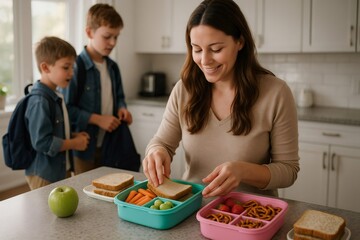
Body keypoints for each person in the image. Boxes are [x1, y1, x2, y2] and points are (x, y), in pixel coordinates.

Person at [142, 0, 299, 198]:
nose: (205, 60)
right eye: (196, 49)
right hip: (193, 209)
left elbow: (288, 171)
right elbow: (162, 142)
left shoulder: (276, 93)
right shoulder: (185, 89)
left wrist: (242, 171)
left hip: (250, 215)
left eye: (215, 49)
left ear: (240, 42)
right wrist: (156, 152)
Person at [61, 3, 132, 174]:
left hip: (110, 144)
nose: (113, 42)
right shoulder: (76, 68)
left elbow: (120, 97)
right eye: (107, 36)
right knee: (85, 195)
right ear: (89, 32)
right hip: (84, 148)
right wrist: (97, 119)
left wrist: (122, 108)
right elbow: (66, 110)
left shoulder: (113, 67)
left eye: (116, 37)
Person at [26, 36, 90, 190]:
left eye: (72, 67)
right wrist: (74, 143)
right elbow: (42, 142)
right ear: (45, 68)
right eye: (66, 67)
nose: (71, 73)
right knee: (45, 213)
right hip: (45, 174)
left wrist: (73, 135)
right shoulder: (40, 101)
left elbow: (54, 130)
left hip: (60, 170)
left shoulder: (56, 95)